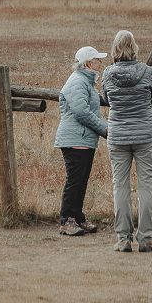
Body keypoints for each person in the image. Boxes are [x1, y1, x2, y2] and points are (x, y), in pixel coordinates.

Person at [101, 30, 152, 253]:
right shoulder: (147, 72)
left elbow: (106, 99)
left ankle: (123, 238)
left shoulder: (108, 74)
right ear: (134, 47)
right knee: (146, 186)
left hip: (118, 135)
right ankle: (145, 238)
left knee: (120, 186)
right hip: (145, 134)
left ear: (115, 49)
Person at [54, 45, 108, 236]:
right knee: (75, 180)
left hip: (83, 138)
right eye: (97, 59)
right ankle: (66, 220)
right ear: (87, 63)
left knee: (81, 180)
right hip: (75, 138)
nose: (100, 62)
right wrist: (105, 129)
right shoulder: (78, 81)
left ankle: (77, 218)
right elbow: (81, 111)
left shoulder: (86, 82)